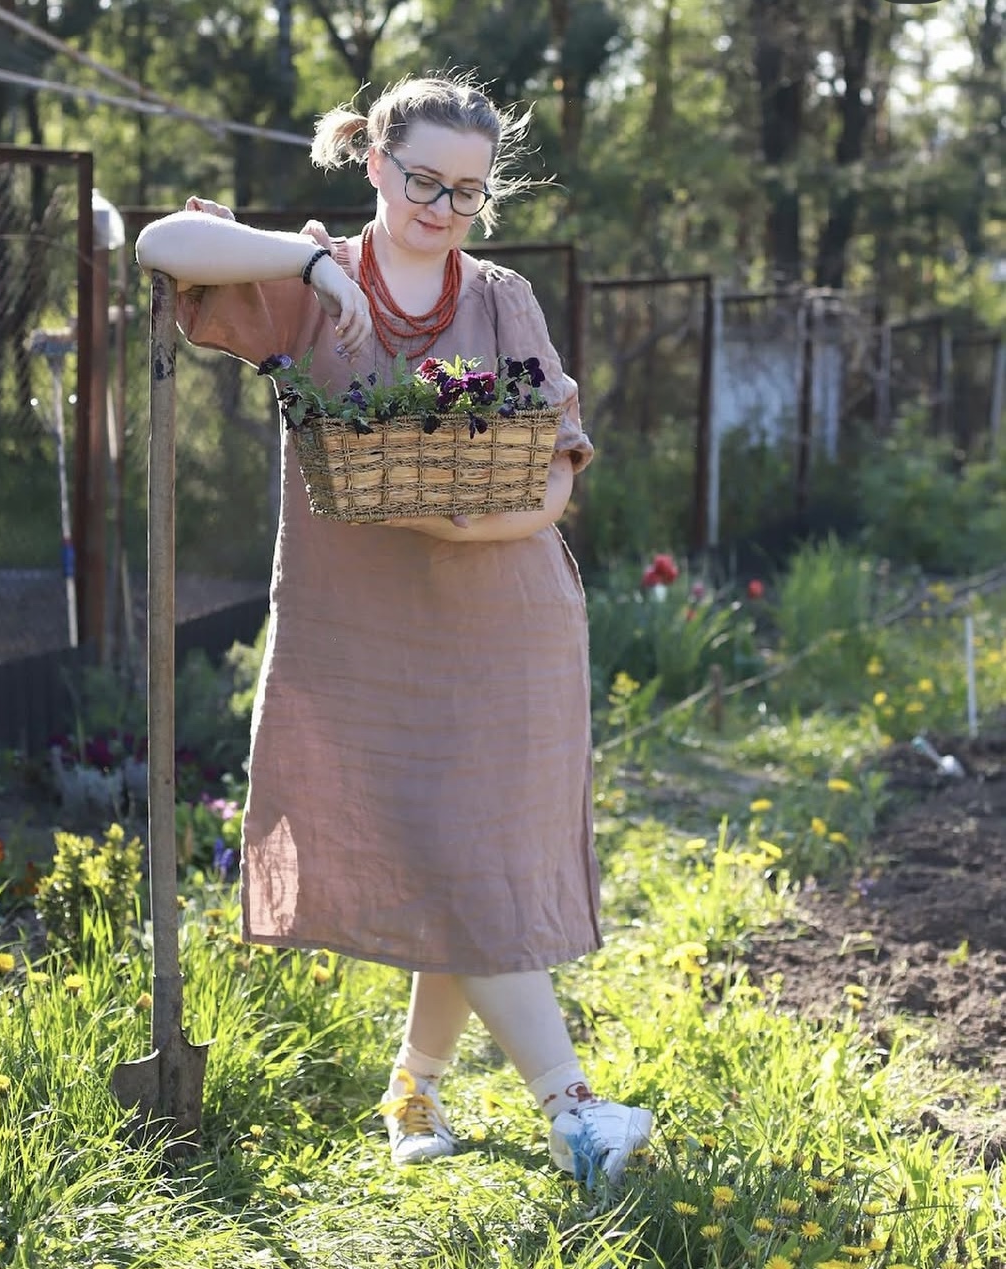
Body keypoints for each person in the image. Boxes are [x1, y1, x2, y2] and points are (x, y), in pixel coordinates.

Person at [135, 71, 652, 1190]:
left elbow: (554, 478)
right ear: (373, 158)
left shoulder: (503, 297)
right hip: (365, 633)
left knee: (470, 861)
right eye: (423, 180)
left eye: (467, 192)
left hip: (507, 621)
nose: (443, 207)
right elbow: (157, 245)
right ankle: (569, 1113)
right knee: (451, 857)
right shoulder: (305, 283)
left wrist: (457, 524)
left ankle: (432, 1091)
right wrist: (314, 262)